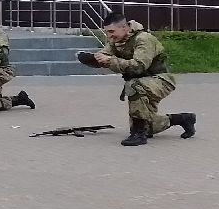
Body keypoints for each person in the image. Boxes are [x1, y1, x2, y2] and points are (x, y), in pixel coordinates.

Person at [77, 11, 195, 146]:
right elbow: (106, 54)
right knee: (149, 126)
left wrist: (110, 61)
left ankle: (138, 135)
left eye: (111, 31)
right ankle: (184, 119)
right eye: (107, 32)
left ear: (124, 27)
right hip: (142, 82)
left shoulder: (143, 39)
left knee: (134, 86)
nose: (109, 36)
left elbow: (139, 66)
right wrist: (93, 59)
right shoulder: (115, 40)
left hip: (161, 80)